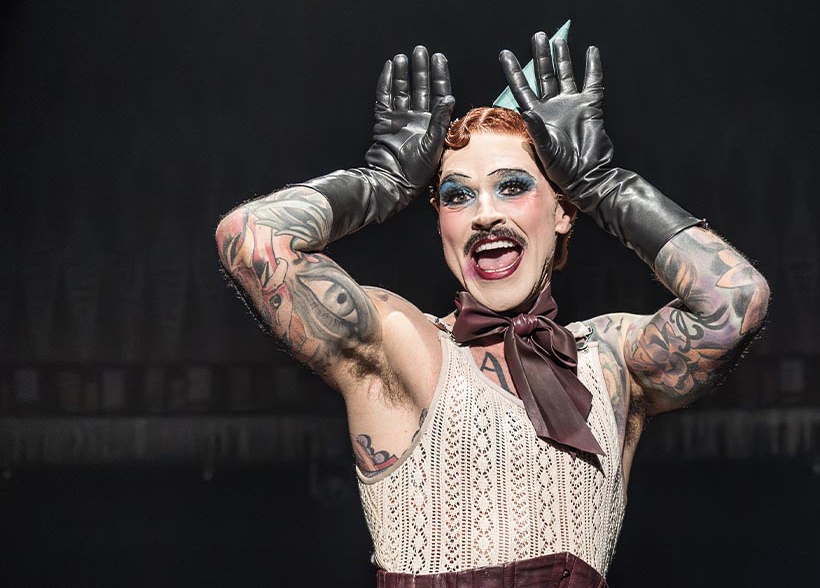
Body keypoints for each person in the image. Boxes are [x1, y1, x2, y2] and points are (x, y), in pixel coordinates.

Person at [216, 32, 770, 586]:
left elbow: (734, 300)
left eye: (512, 186)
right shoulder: (401, 342)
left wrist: (604, 185)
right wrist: (379, 183)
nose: (483, 213)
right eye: (457, 195)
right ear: (439, 223)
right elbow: (251, 237)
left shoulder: (610, 361)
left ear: (563, 212)